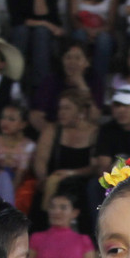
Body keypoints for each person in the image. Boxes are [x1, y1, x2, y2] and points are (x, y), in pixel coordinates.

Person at [32, 88, 98, 223]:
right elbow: (40, 159)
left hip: (80, 182)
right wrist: (44, 178)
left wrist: (70, 173)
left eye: (67, 108)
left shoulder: (94, 132)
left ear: (81, 111)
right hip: (53, 181)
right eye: (60, 108)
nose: (61, 113)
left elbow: (94, 167)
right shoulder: (52, 129)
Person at [7, 0, 63, 88]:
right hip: (21, 30)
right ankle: (15, 87)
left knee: (41, 33)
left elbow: (45, 15)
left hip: (45, 34)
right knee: (22, 31)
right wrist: (45, 23)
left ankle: (41, 89)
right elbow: (16, 19)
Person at [28, 190, 97, 258]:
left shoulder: (83, 240)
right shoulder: (36, 238)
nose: (56, 211)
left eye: (63, 207)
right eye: (52, 207)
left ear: (75, 213)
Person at [67, 0, 120, 84]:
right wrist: (86, 30)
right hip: (82, 31)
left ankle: (97, 86)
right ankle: (77, 81)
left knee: (103, 40)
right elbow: (73, 18)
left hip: (104, 34)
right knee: (79, 36)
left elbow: (111, 23)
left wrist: (97, 32)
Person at [29, 41, 104, 134]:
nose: (72, 62)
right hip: (53, 132)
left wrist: (82, 86)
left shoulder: (94, 81)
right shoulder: (51, 80)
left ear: (87, 63)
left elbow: (94, 117)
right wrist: (53, 137)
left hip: (82, 135)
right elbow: (35, 116)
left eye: (77, 58)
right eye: (68, 57)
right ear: (62, 61)